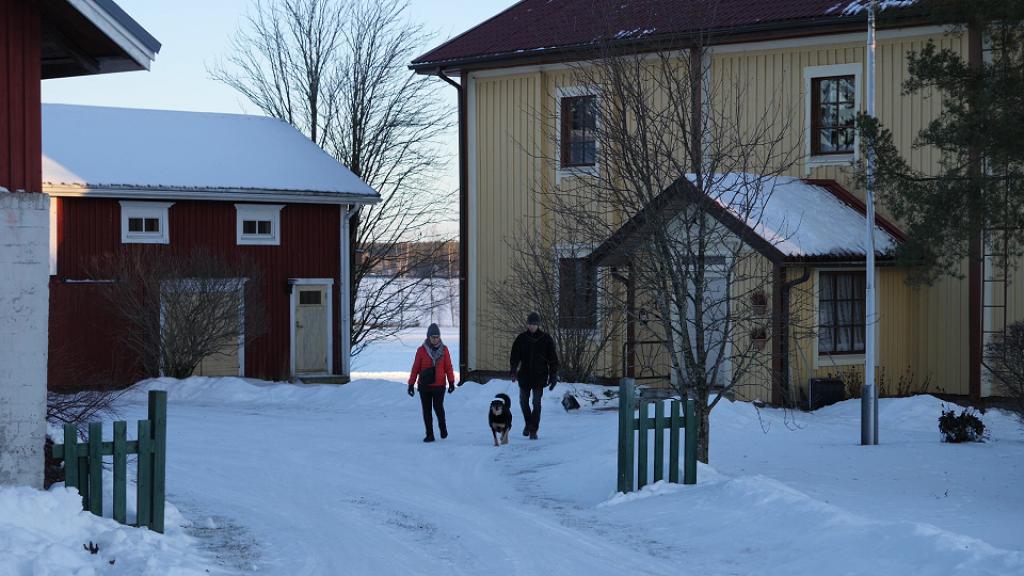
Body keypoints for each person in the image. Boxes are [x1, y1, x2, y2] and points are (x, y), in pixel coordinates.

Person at [509, 312, 559, 440]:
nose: (532, 326)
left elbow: (553, 359)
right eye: (530, 324)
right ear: (527, 324)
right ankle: (528, 423)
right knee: (523, 402)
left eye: (534, 324)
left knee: (536, 403)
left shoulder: (546, 339)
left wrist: (553, 375)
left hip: (539, 376)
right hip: (524, 376)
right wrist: (513, 370)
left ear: (538, 325)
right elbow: (514, 356)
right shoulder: (521, 338)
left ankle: (533, 429)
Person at [408, 323, 456, 442]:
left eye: (437, 337)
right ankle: (430, 434)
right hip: (424, 386)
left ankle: (443, 428)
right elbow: (415, 368)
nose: (435, 339)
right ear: (428, 337)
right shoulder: (421, 350)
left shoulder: (444, 350)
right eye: (433, 337)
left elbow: (448, 367)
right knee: (427, 410)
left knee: (438, 408)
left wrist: (451, 382)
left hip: (439, 385)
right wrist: (411, 384)